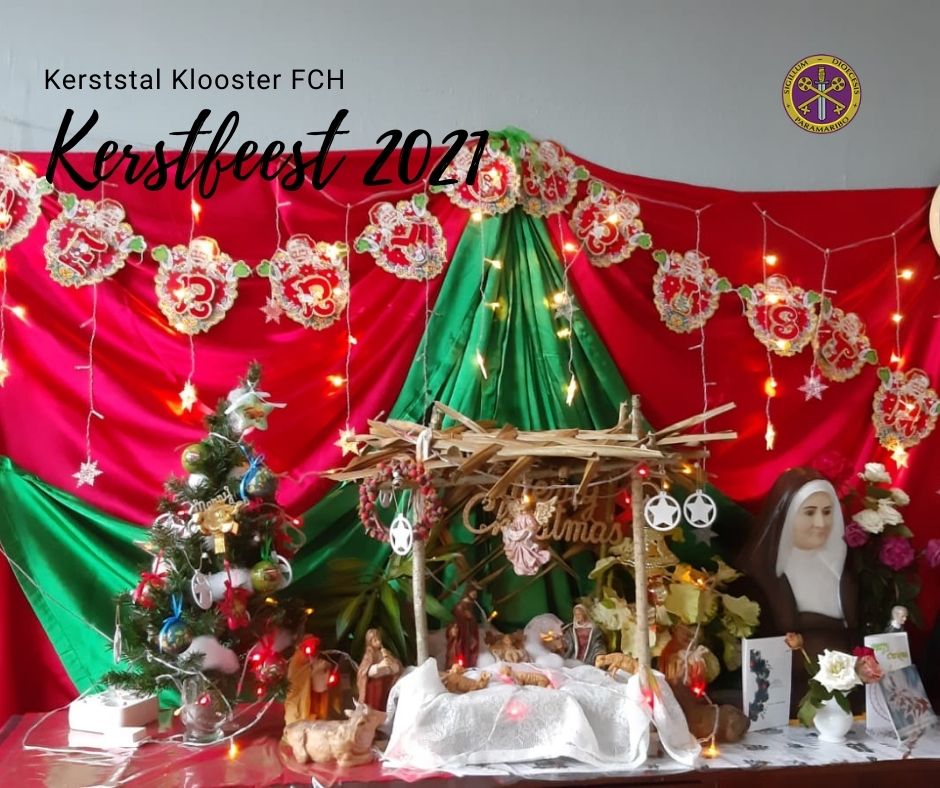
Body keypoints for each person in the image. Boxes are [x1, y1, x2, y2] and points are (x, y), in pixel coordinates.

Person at [738, 467, 858, 714]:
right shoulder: (758, 576)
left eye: (827, 512)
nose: (821, 523)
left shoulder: (846, 569)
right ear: (787, 515)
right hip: (785, 705)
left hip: (848, 703)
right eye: (809, 512)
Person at [356, 629, 402, 712]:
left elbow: (396, 665)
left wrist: (392, 663)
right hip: (375, 685)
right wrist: (380, 665)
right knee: (375, 703)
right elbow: (364, 671)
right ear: (370, 642)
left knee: (385, 702)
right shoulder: (369, 655)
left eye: (379, 639)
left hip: (385, 682)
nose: (378, 642)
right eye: (375, 640)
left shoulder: (385, 652)